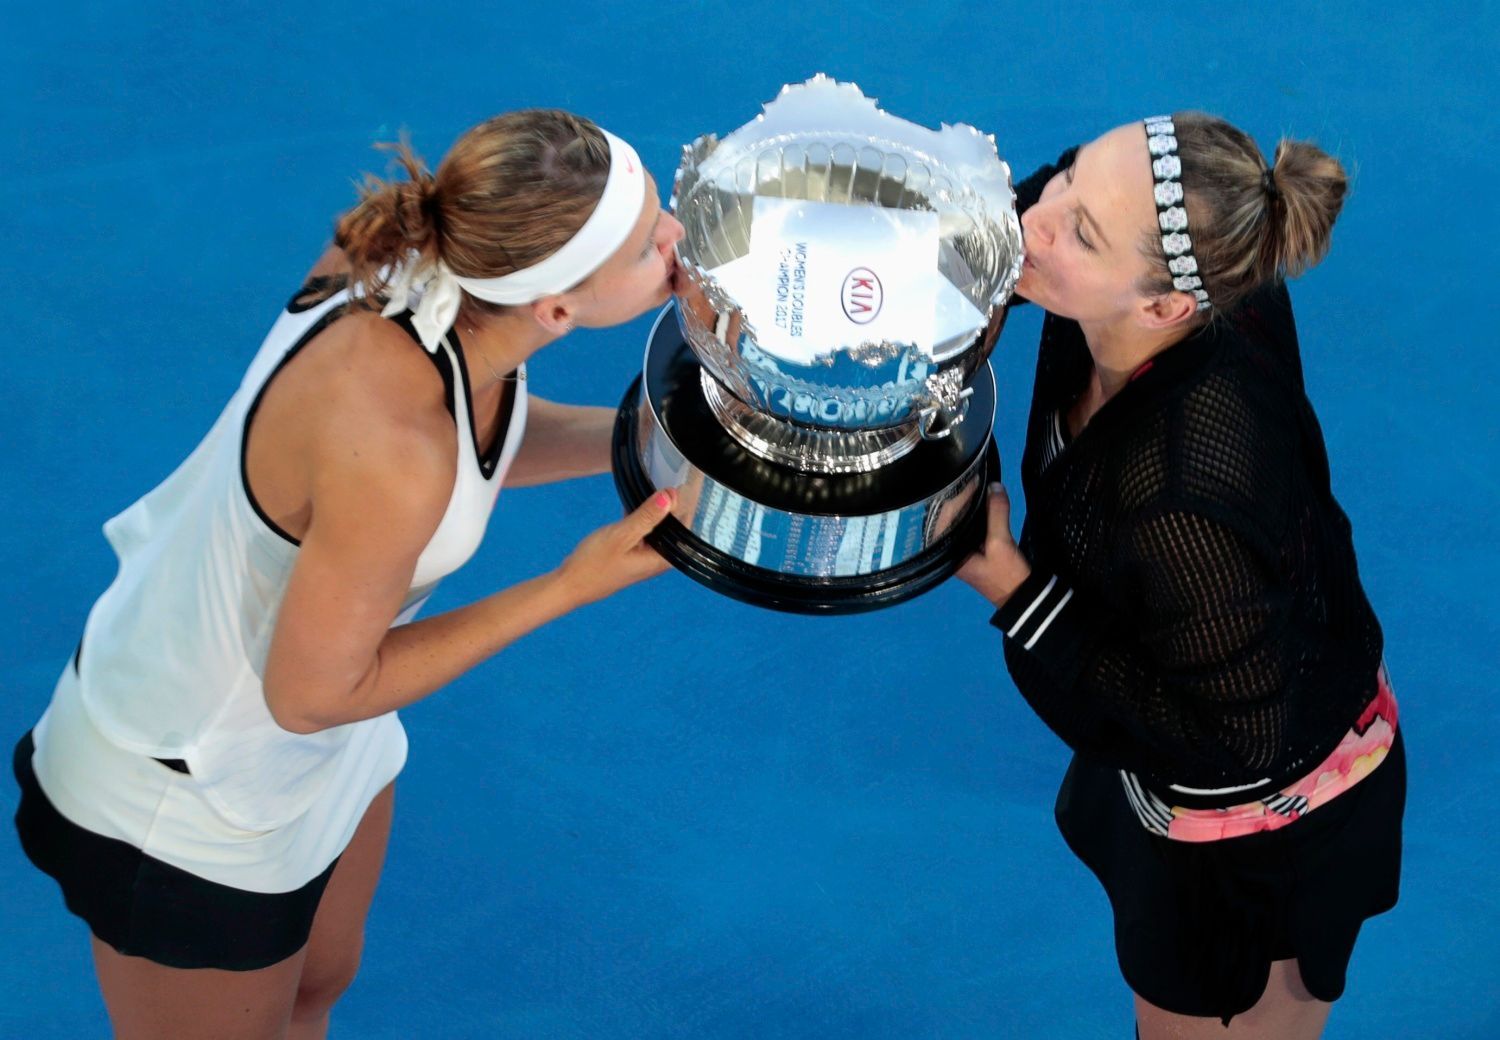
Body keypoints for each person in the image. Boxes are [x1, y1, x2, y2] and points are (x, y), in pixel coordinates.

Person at [12, 109, 685, 1040]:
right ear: (558, 310)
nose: (677, 240)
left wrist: (658, 439)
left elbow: (477, 441)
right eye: (652, 245)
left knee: (318, 988)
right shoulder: (393, 449)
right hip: (183, 795)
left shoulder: (433, 272)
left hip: (317, 747)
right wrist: (570, 584)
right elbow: (316, 691)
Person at [957, 112, 1403, 1038]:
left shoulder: (1178, 496)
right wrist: (967, 262)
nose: (1040, 215)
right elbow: (1043, 204)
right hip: (1233, 681)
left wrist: (1016, 591)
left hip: (1261, 817)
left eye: (1078, 230)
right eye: (1070, 179)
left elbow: (1228, 745)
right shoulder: (1194, 266)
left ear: (1164, 308)